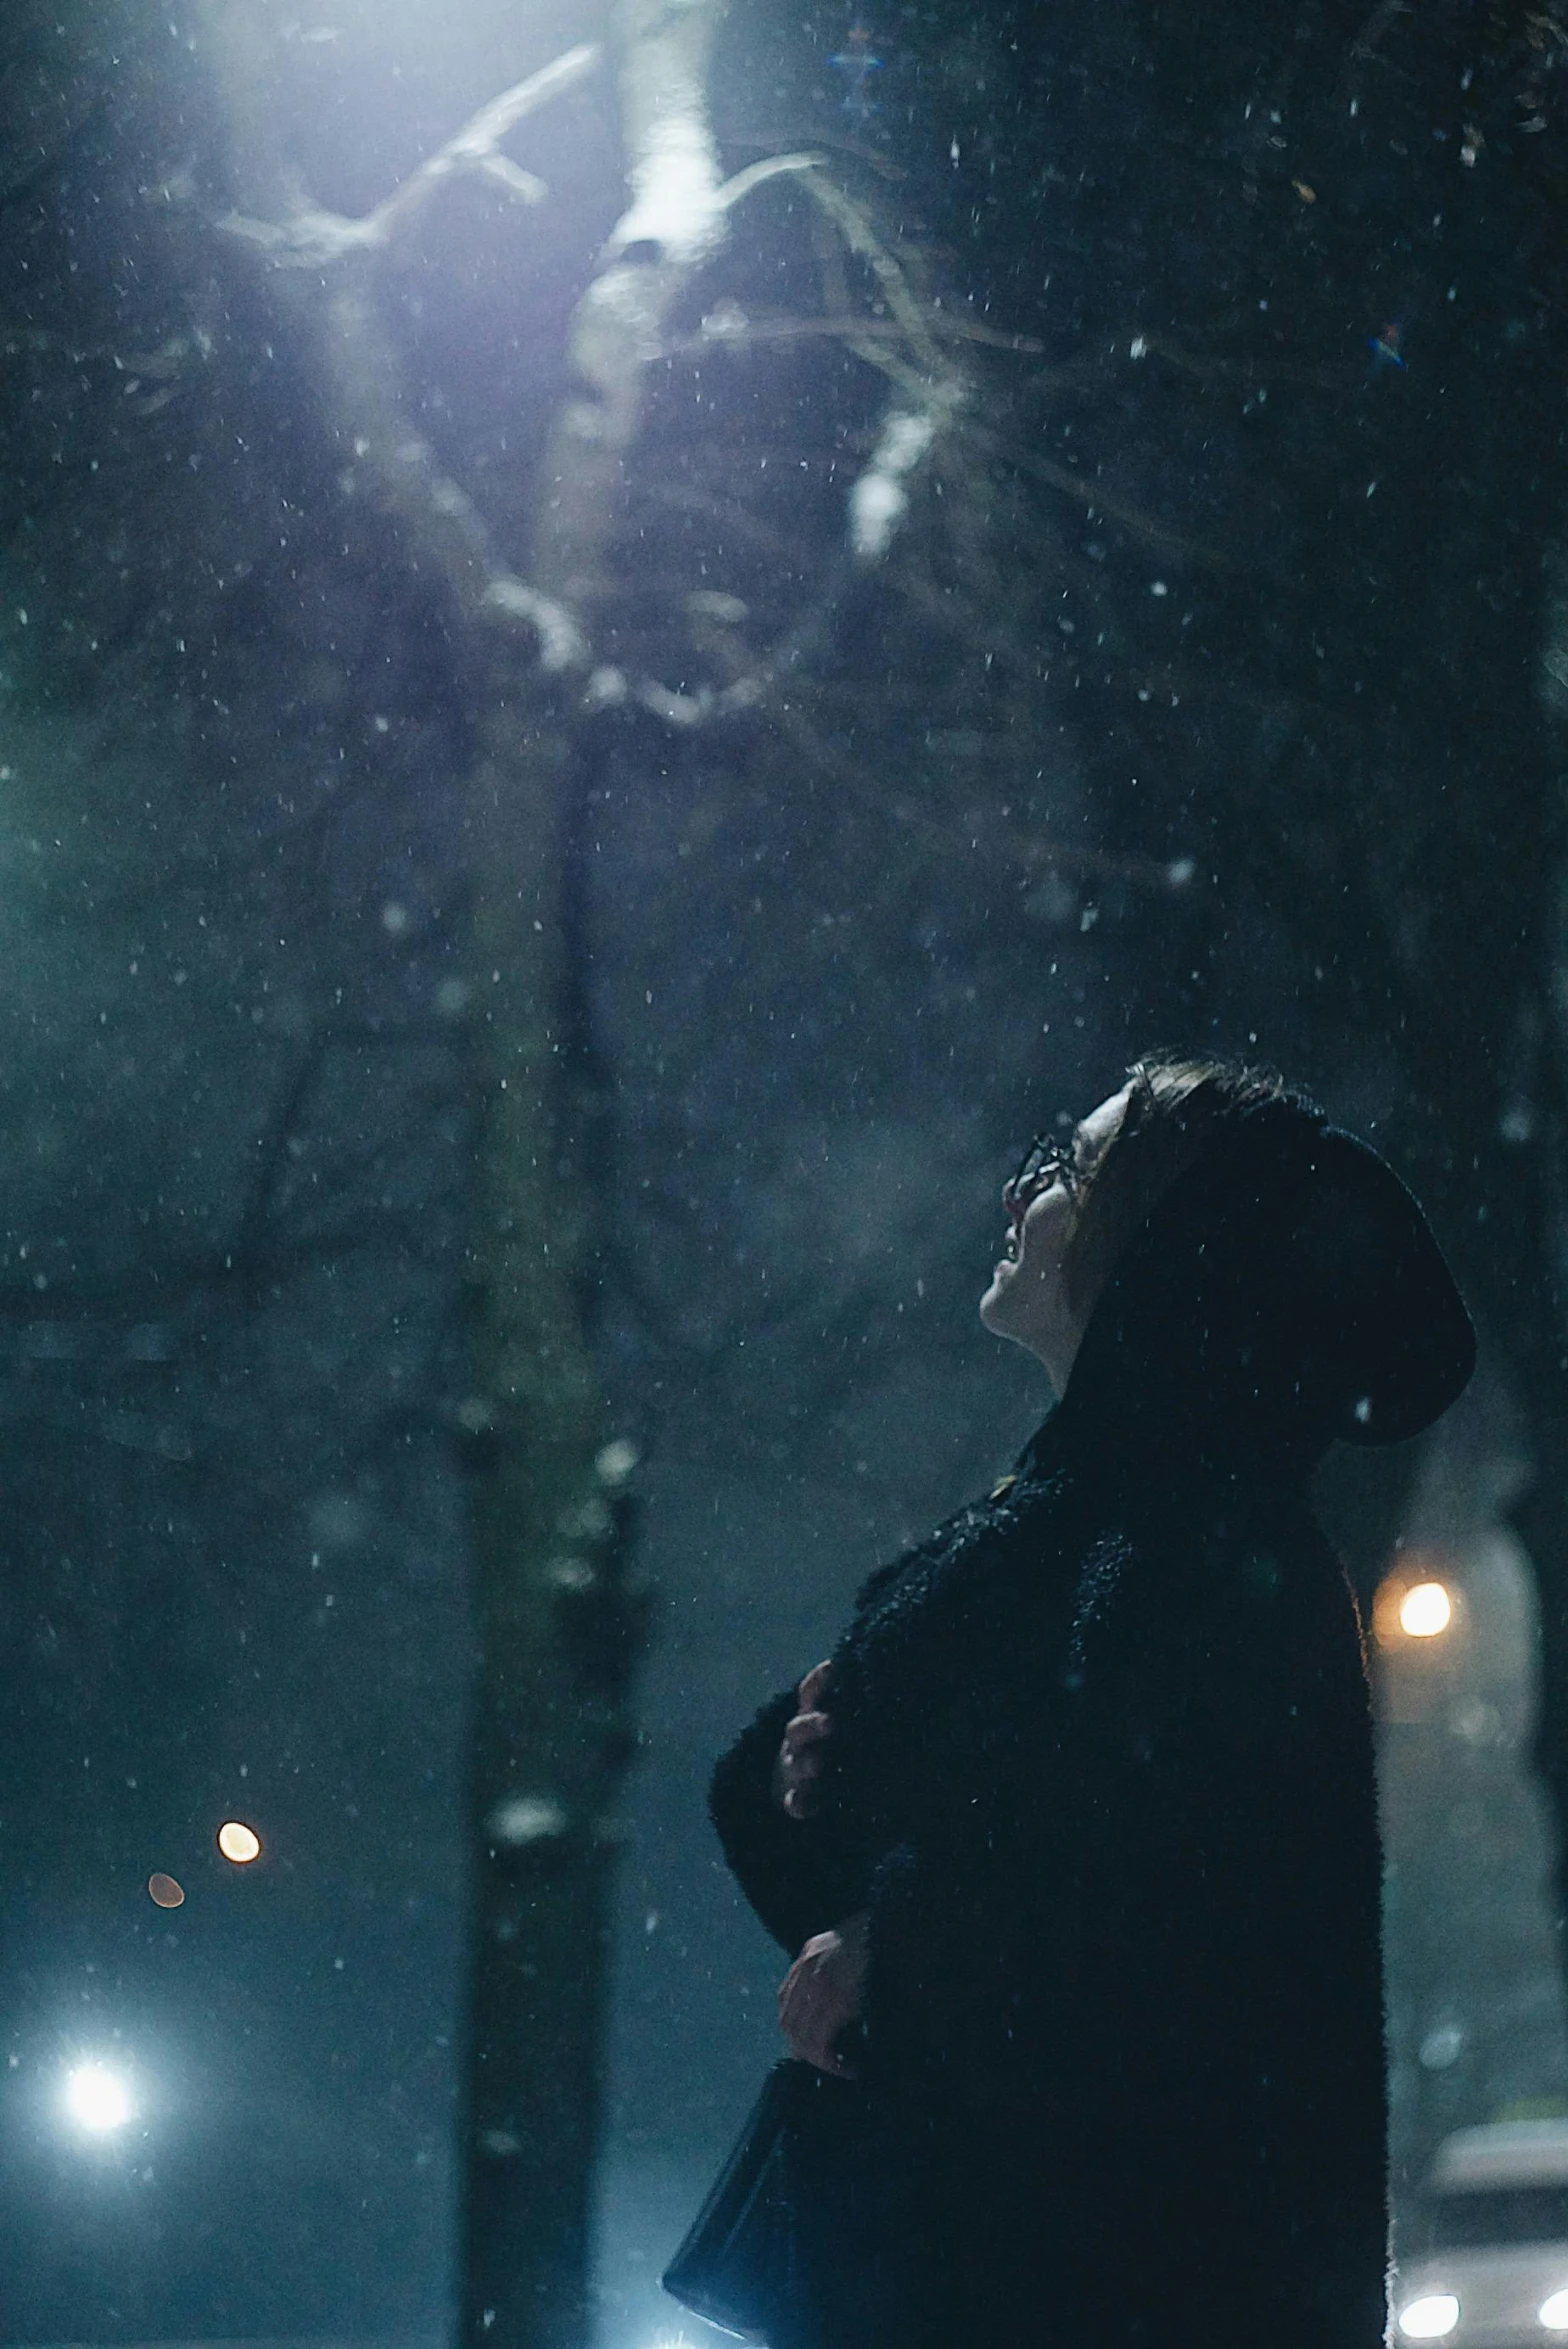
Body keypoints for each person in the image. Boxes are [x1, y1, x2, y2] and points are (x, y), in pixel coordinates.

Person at [706, 1055, 1475, 2348]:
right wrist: (829, 1808)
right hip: (1007, 2264)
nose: (1018, 1199)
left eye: (1068, 1168)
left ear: (1163, 1246)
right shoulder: (1059, 1541)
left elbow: (1145, 1928)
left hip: (1097, 2284)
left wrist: (897, 1930)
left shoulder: (1203, 1551)